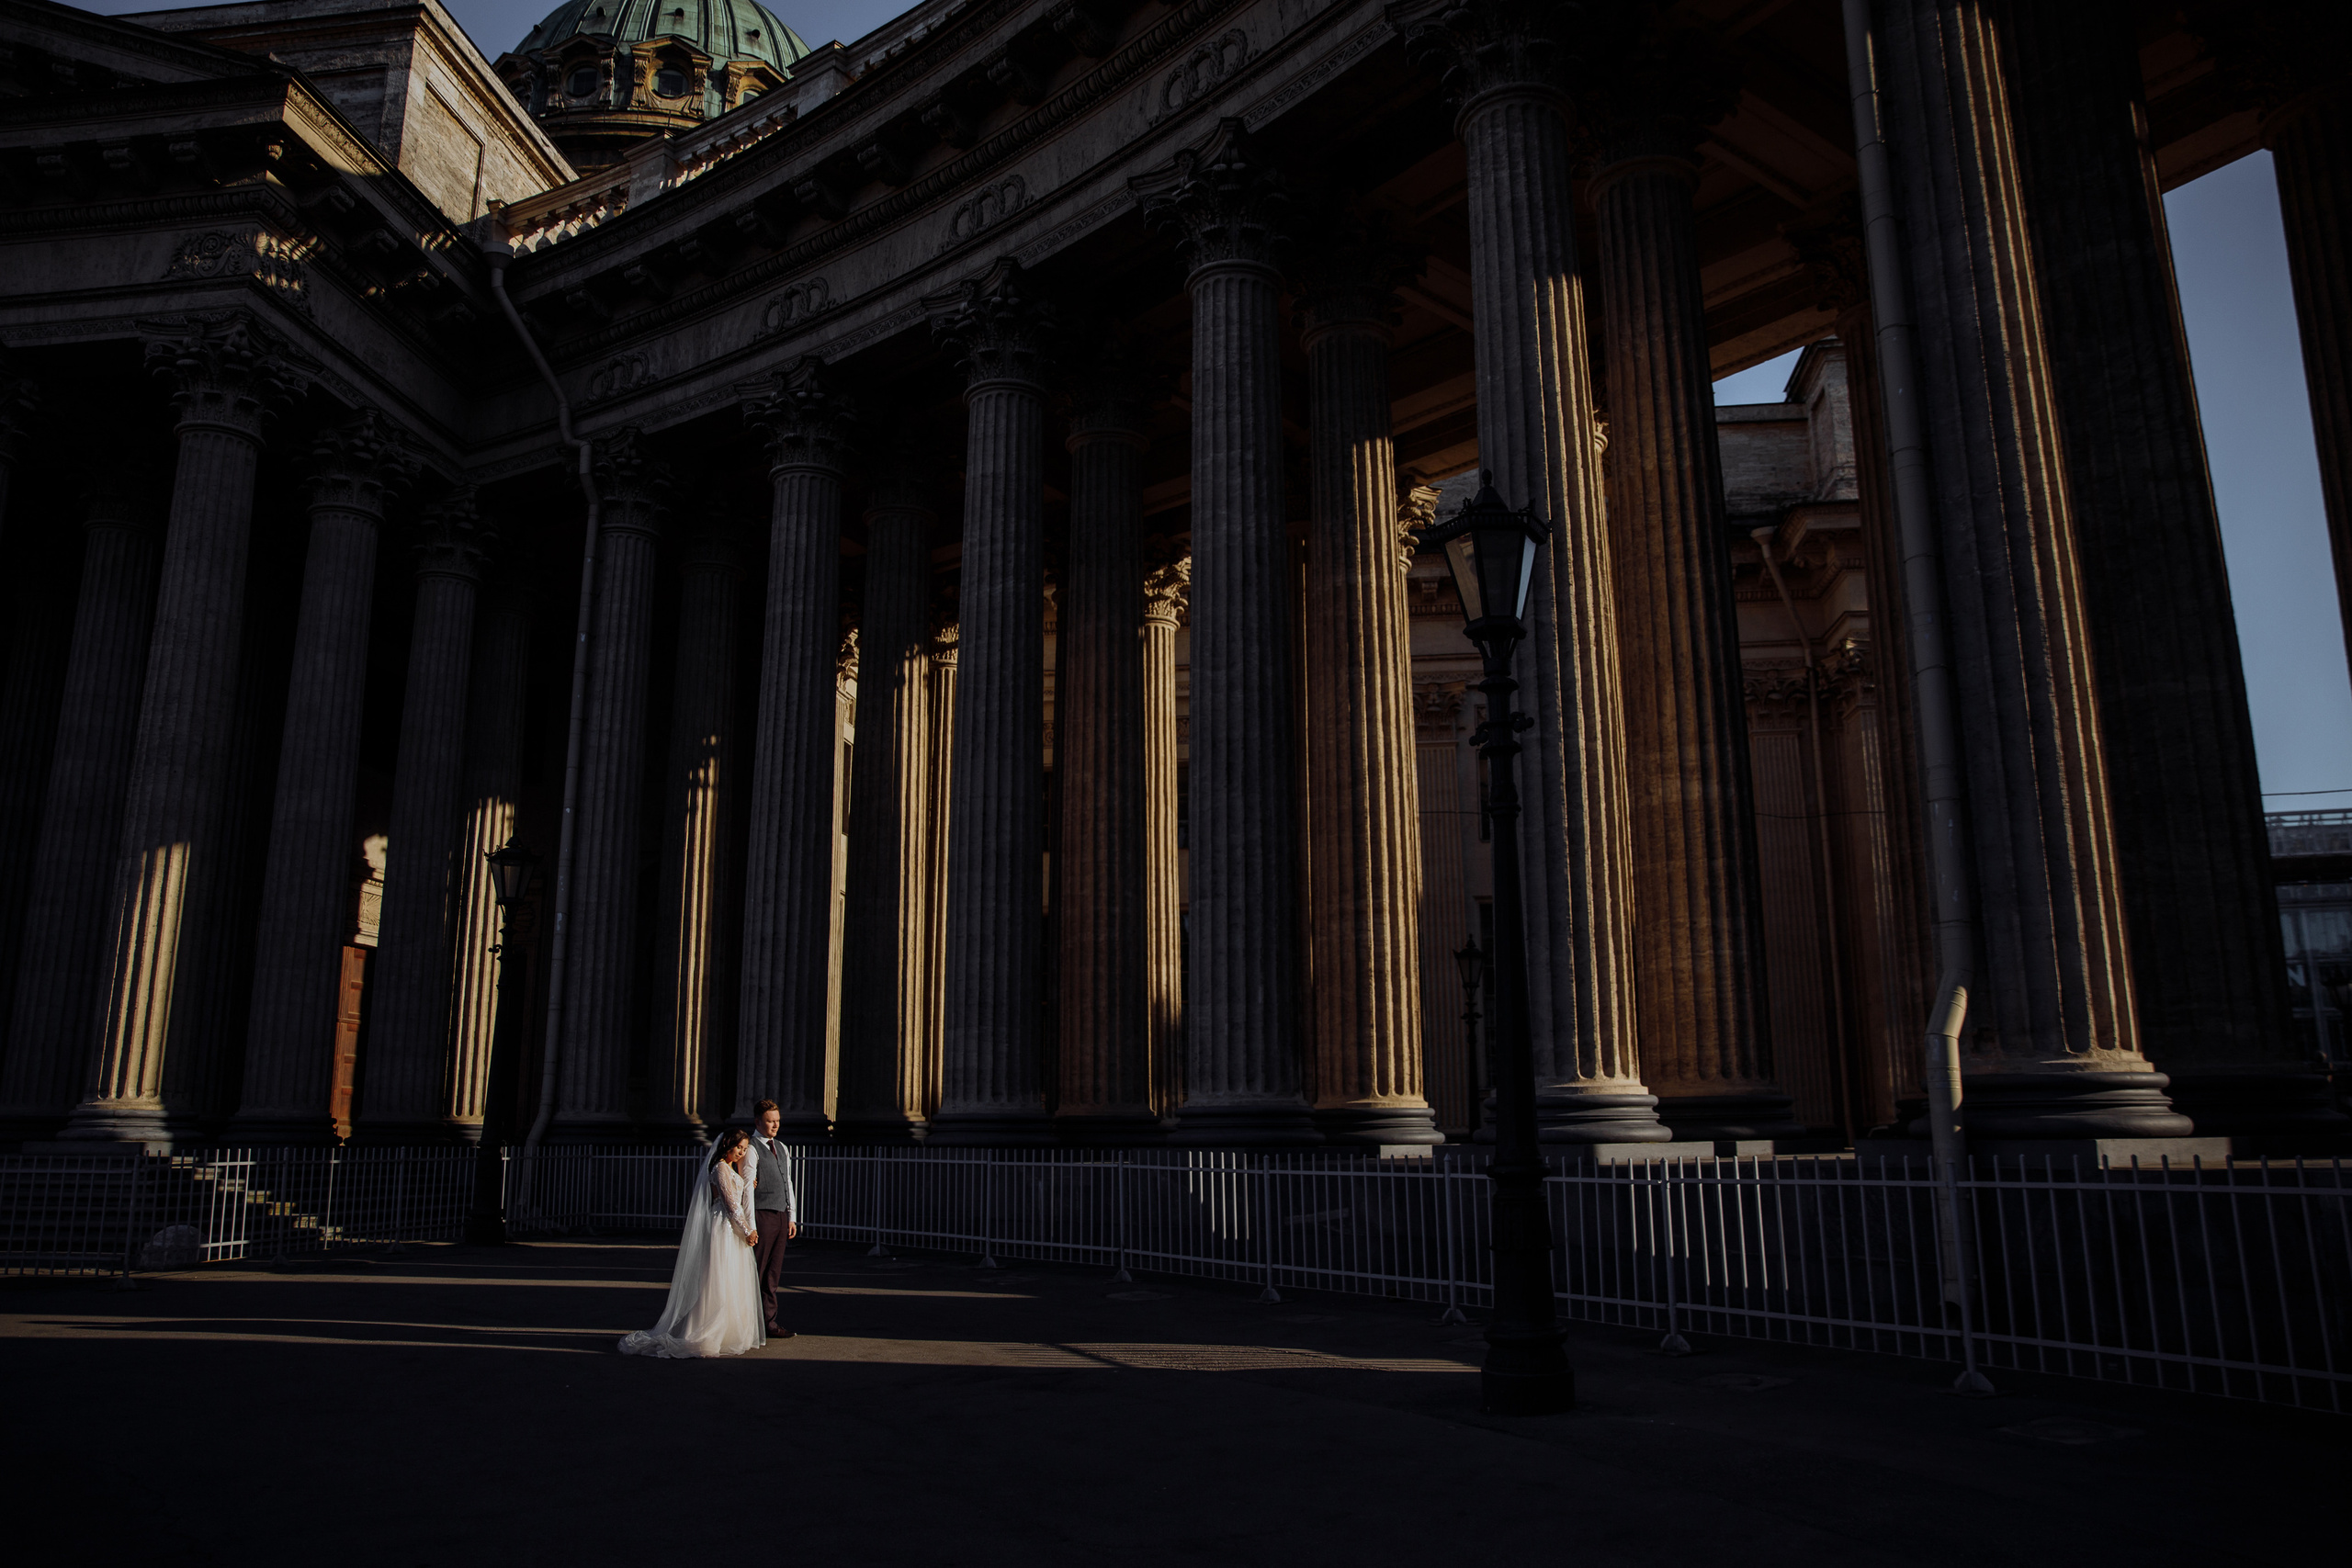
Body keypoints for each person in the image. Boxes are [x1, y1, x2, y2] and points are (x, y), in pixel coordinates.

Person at [618, 1127, 765, 1359]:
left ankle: (731, 1330)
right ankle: (710, 1329)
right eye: (739, 1147)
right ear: (727, 1145)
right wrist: (748, 1230)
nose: (741, 1152)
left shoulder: (730, 1168)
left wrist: (746, 1184)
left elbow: (737, 1196)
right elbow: (730, 1205)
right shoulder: (720, 1168)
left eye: (745, 1149)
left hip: (734, 1227)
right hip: (725, 1227)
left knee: (733, 1277)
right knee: (719, 1277)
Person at [743, 1099, 799, 1338]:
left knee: (773, 1274)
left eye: (777, 1121)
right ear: (758, 1122)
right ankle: (748, 1324)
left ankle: (769, 1323)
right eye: (770, 1121)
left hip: (780, 1215)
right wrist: (751, 1225)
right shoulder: (751, 1148)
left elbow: (788, 1182)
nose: (775, 1125)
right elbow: (747, 1187)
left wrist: (791, 1216)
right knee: (756, 1271)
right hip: (762, 1215)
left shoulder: (783, 1148)